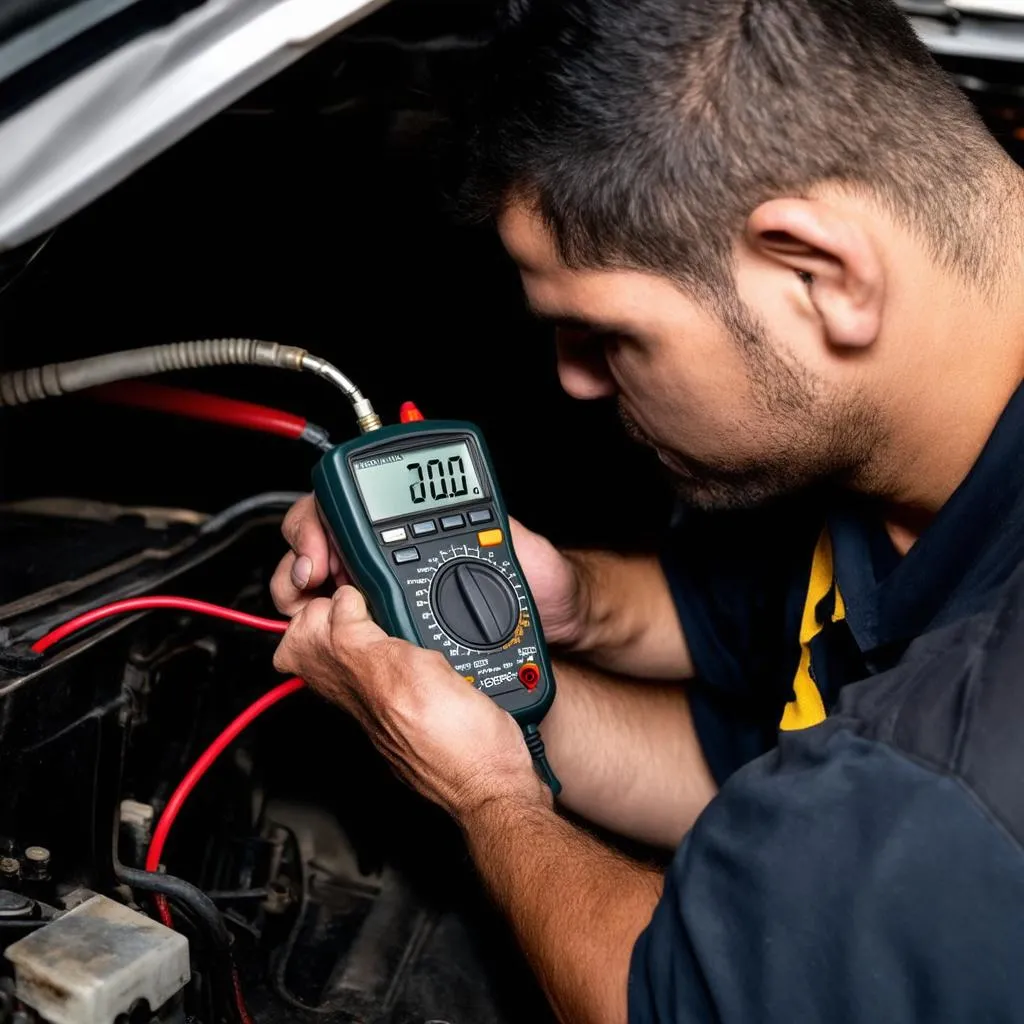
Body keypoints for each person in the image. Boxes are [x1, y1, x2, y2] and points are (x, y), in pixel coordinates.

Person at [271, 1, 1024, 1021]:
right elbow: (745, 749)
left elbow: (663, 998)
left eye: (606, 333)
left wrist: (490, 796)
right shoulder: (898, 446)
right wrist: (551, 614)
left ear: (817, 273)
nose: (575, 381)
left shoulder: (962, 761)